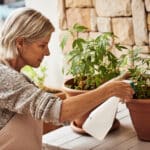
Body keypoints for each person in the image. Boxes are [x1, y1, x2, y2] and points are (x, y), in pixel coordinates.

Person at [0, 7, 134, 150]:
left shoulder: (18, 77)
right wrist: (109, 90)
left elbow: (55, 115)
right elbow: (59, 112)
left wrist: (109, 88)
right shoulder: (4, 77)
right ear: (20, 42)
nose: (48, 52)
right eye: (42, 45)